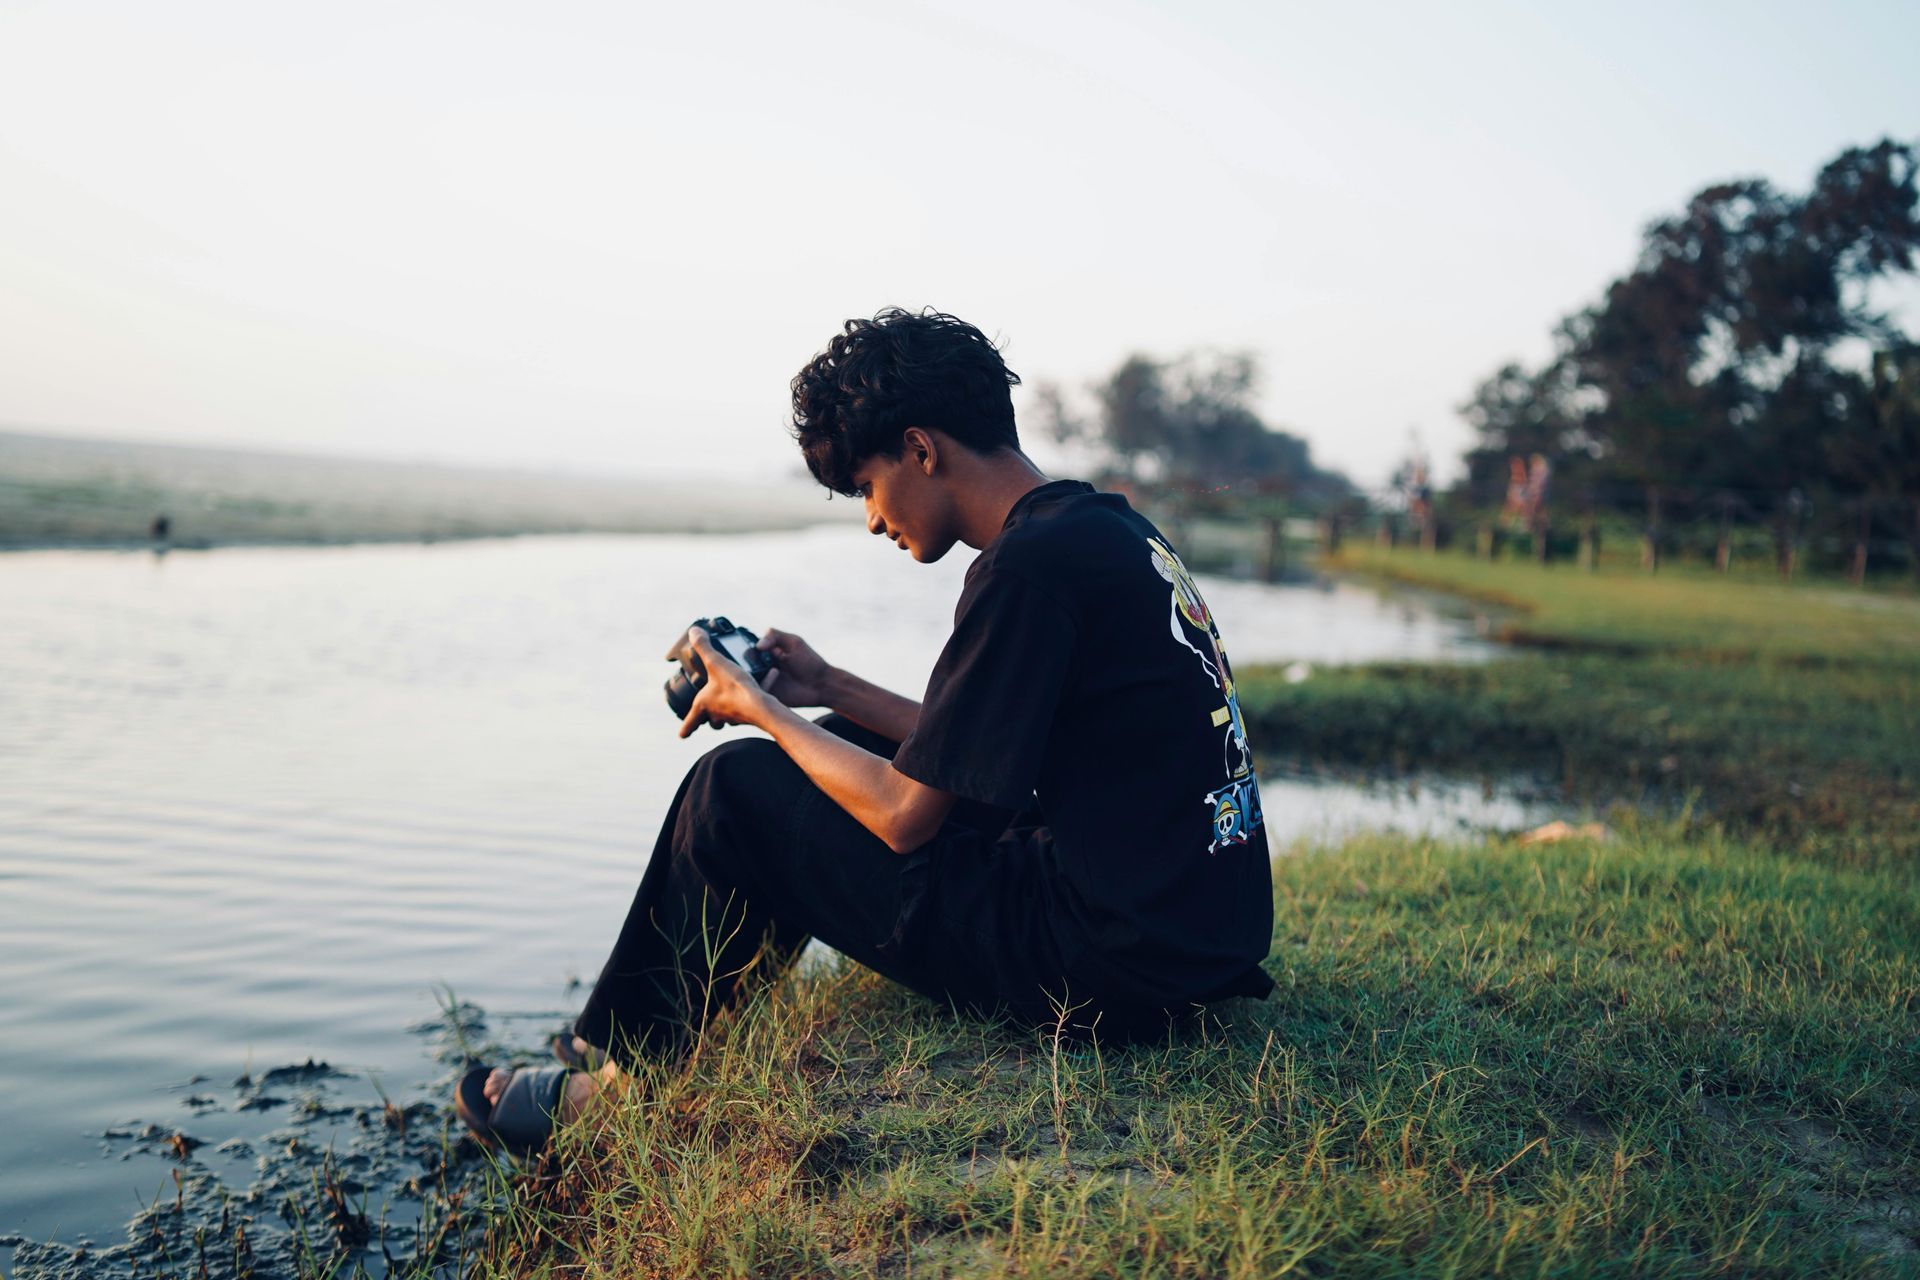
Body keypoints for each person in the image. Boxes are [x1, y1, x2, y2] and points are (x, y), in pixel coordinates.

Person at [456, 308, 1276, 1155]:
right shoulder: (1102, 530)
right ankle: (636, 1034)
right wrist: (823, 684)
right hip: (1193, 932)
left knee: (735, 788)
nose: (874, 519)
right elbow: (976, 752)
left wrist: (760, 708)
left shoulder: (1023, 572)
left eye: (866, 487)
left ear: (921, 450)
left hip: (1111, 965)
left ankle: (621, 1084)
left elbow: (904, 815)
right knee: (848, 731)